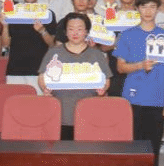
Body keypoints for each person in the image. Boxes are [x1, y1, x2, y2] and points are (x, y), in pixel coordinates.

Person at [113, 0, 164, 166]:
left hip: (157, 99)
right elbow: (120, 67)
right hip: (133, 99)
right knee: (133, 148)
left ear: (158, 9)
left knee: (152, 149)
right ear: (137, 8)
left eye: (152, 7)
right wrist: (140, 65)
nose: (148, 11)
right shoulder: (127, 35)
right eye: (144, 6)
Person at [38, 12, 112, 140]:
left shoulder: (96, 54)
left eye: (79, 29)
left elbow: (106, 80)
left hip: (89, 112)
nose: (75, 33)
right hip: (61, 113)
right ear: (65, 32)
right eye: (71, 29)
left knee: (88, 149)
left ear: (86, 32)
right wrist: (45, 88)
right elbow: (42, 77)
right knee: (63, 149)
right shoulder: (54, 52)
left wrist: (103, 89)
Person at [1, 0, 57, 94]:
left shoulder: (47, 14)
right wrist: (5, 25)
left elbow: (52, 44)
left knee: (38, 103)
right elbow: (5, 44)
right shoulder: (13, 12)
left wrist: (42, 30)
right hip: (15, 69)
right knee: (15, 102)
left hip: (39, 69)